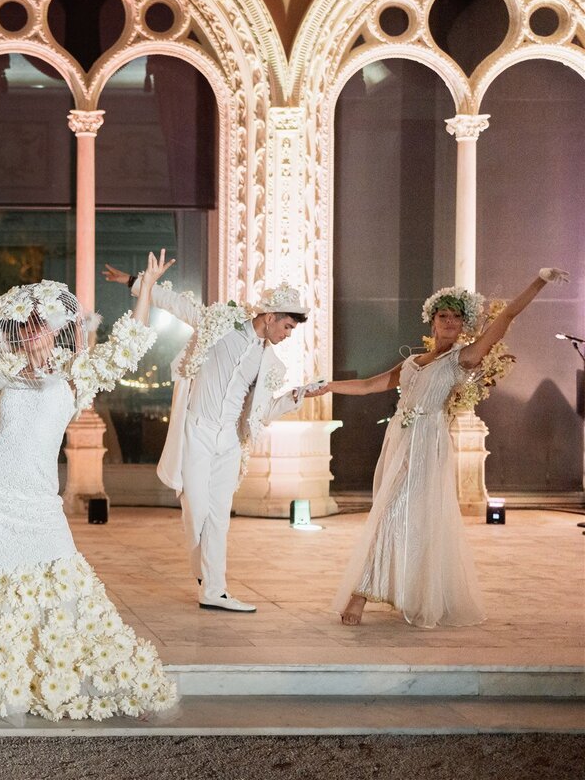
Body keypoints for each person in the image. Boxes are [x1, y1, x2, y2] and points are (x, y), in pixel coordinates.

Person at [0, 251, 179, 723]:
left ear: (54, 326)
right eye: (23, 327)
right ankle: (4, 681)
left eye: (39, 324)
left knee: (61, 579)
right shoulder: (1, 369)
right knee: (7, 587)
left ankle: (54, 672)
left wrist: (146, 287)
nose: (32, 333)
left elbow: (130, 343)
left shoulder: (76, 371)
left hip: (39, 498)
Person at [321, 268, 570, 627]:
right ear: (432, 321)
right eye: (443, 316)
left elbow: (507, 316)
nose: (449, 321)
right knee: (396, 512)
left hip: (427, 442)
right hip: (401, 440)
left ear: (463, 324)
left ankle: (360, 595)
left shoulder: (462, 359)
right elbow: (368, 385)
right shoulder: (412, 362)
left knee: (393, 512)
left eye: (456, 317)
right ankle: (402, 590)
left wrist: (540, 280)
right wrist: (327, 387)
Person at [101, 266, 322, 613]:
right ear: (271, 316)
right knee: (196, 510)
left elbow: (261, 412)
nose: (289, 334)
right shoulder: (221, 324)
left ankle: (214, 589)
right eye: (288, 326)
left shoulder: (271, 363)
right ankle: (205, 575)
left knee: (219, 516)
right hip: (197, 431)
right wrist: (133, 281)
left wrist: (298, 397)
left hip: (229, 441)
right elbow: (175, 304)